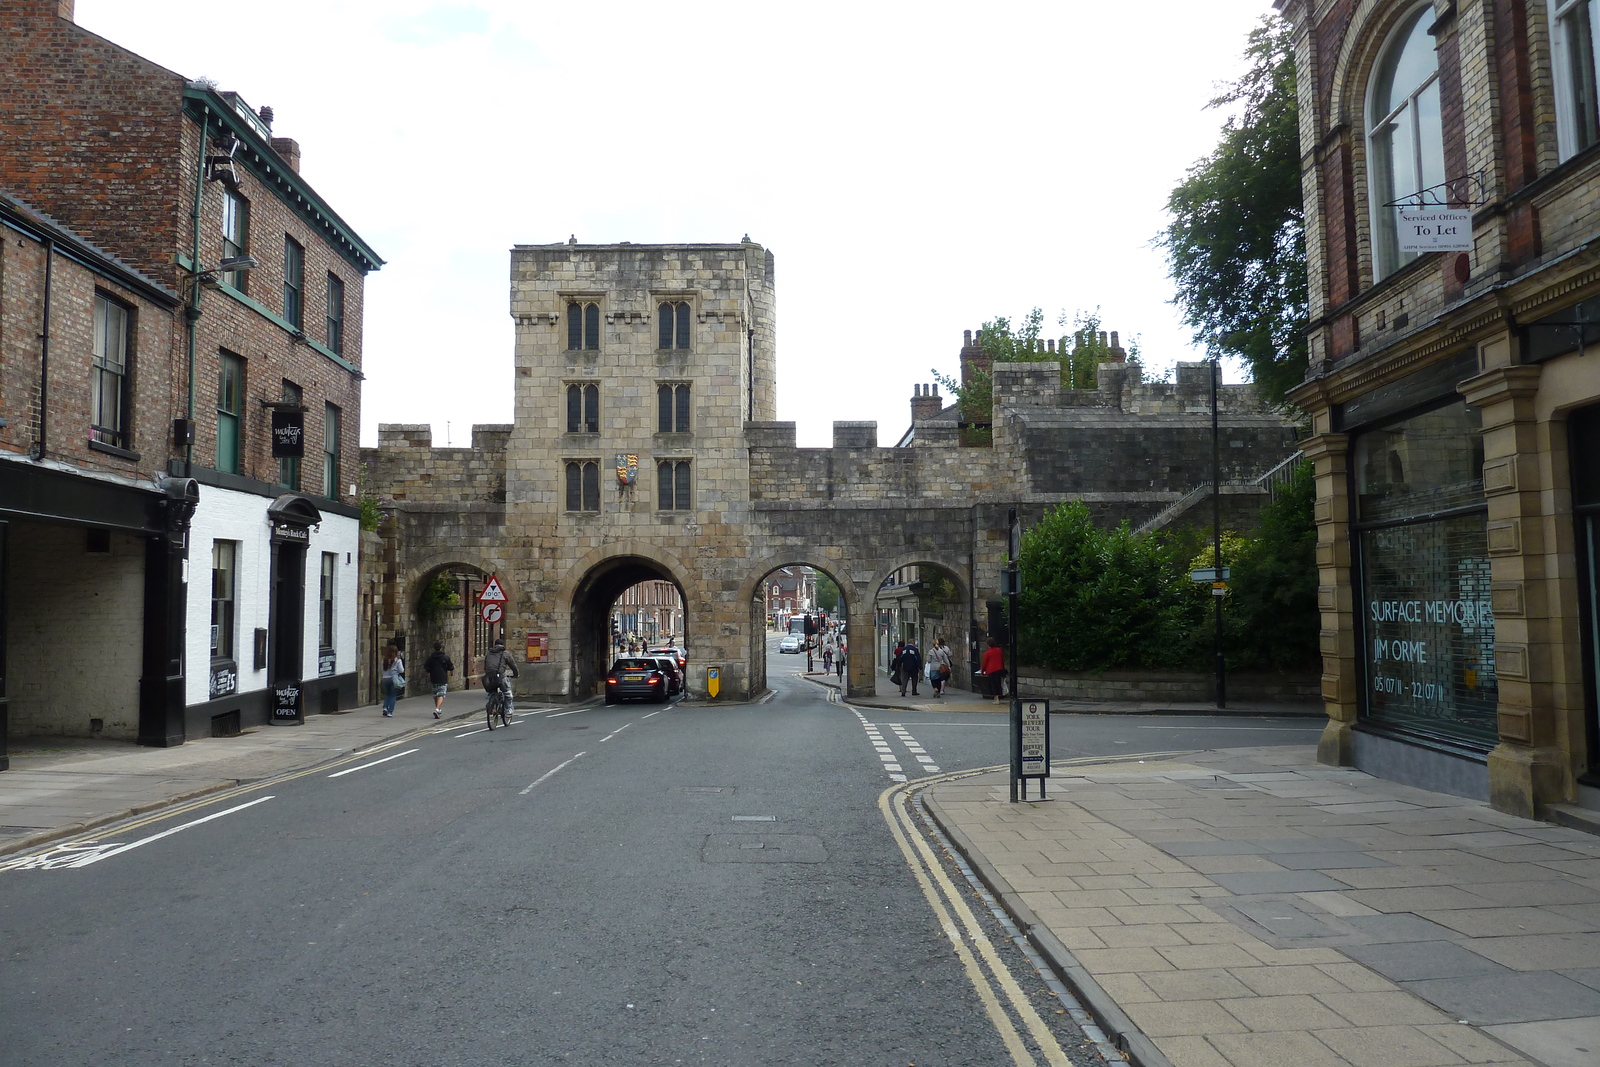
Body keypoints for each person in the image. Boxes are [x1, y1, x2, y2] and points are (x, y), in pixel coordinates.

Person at [482, 637, 519, 715]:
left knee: (491, 693)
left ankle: (491, 705)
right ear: (502, 645)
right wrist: (516, 674)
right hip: (500, 676)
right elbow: (512, 665)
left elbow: (485, 666)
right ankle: (508, 711)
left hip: (489, 677)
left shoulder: (488, 653)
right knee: (508, 694)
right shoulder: (505, 653)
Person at [423, 641, 454, 719]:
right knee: (441, 694)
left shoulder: (431, 657)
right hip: (442, 677)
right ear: (441, 648)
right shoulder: (445, 657)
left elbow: (427, 666)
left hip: (434, 678)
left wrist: (429, 672)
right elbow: (450, 666)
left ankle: (438, 710)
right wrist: (451, 672)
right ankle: (437, 709)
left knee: (436, 694)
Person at [380, 642, 405, 717]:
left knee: (387, 694)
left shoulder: (383, 660)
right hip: (393, 680)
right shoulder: (398, 660)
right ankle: (390, 712)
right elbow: (401, 670)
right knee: (393, 695)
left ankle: (385, 707)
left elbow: (381, 670)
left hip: (385, 679)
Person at [979, 637, 1006, 703]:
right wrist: (1002, 667)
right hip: (999, 669)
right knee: (998, 683)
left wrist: (982, 672)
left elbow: (984, 663)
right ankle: (999, 697)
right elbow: (1002, 659)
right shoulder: (999, 650)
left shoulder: (987, 653)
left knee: (993, 684)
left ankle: (996, 699)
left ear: (988, 644)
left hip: (991, 670)